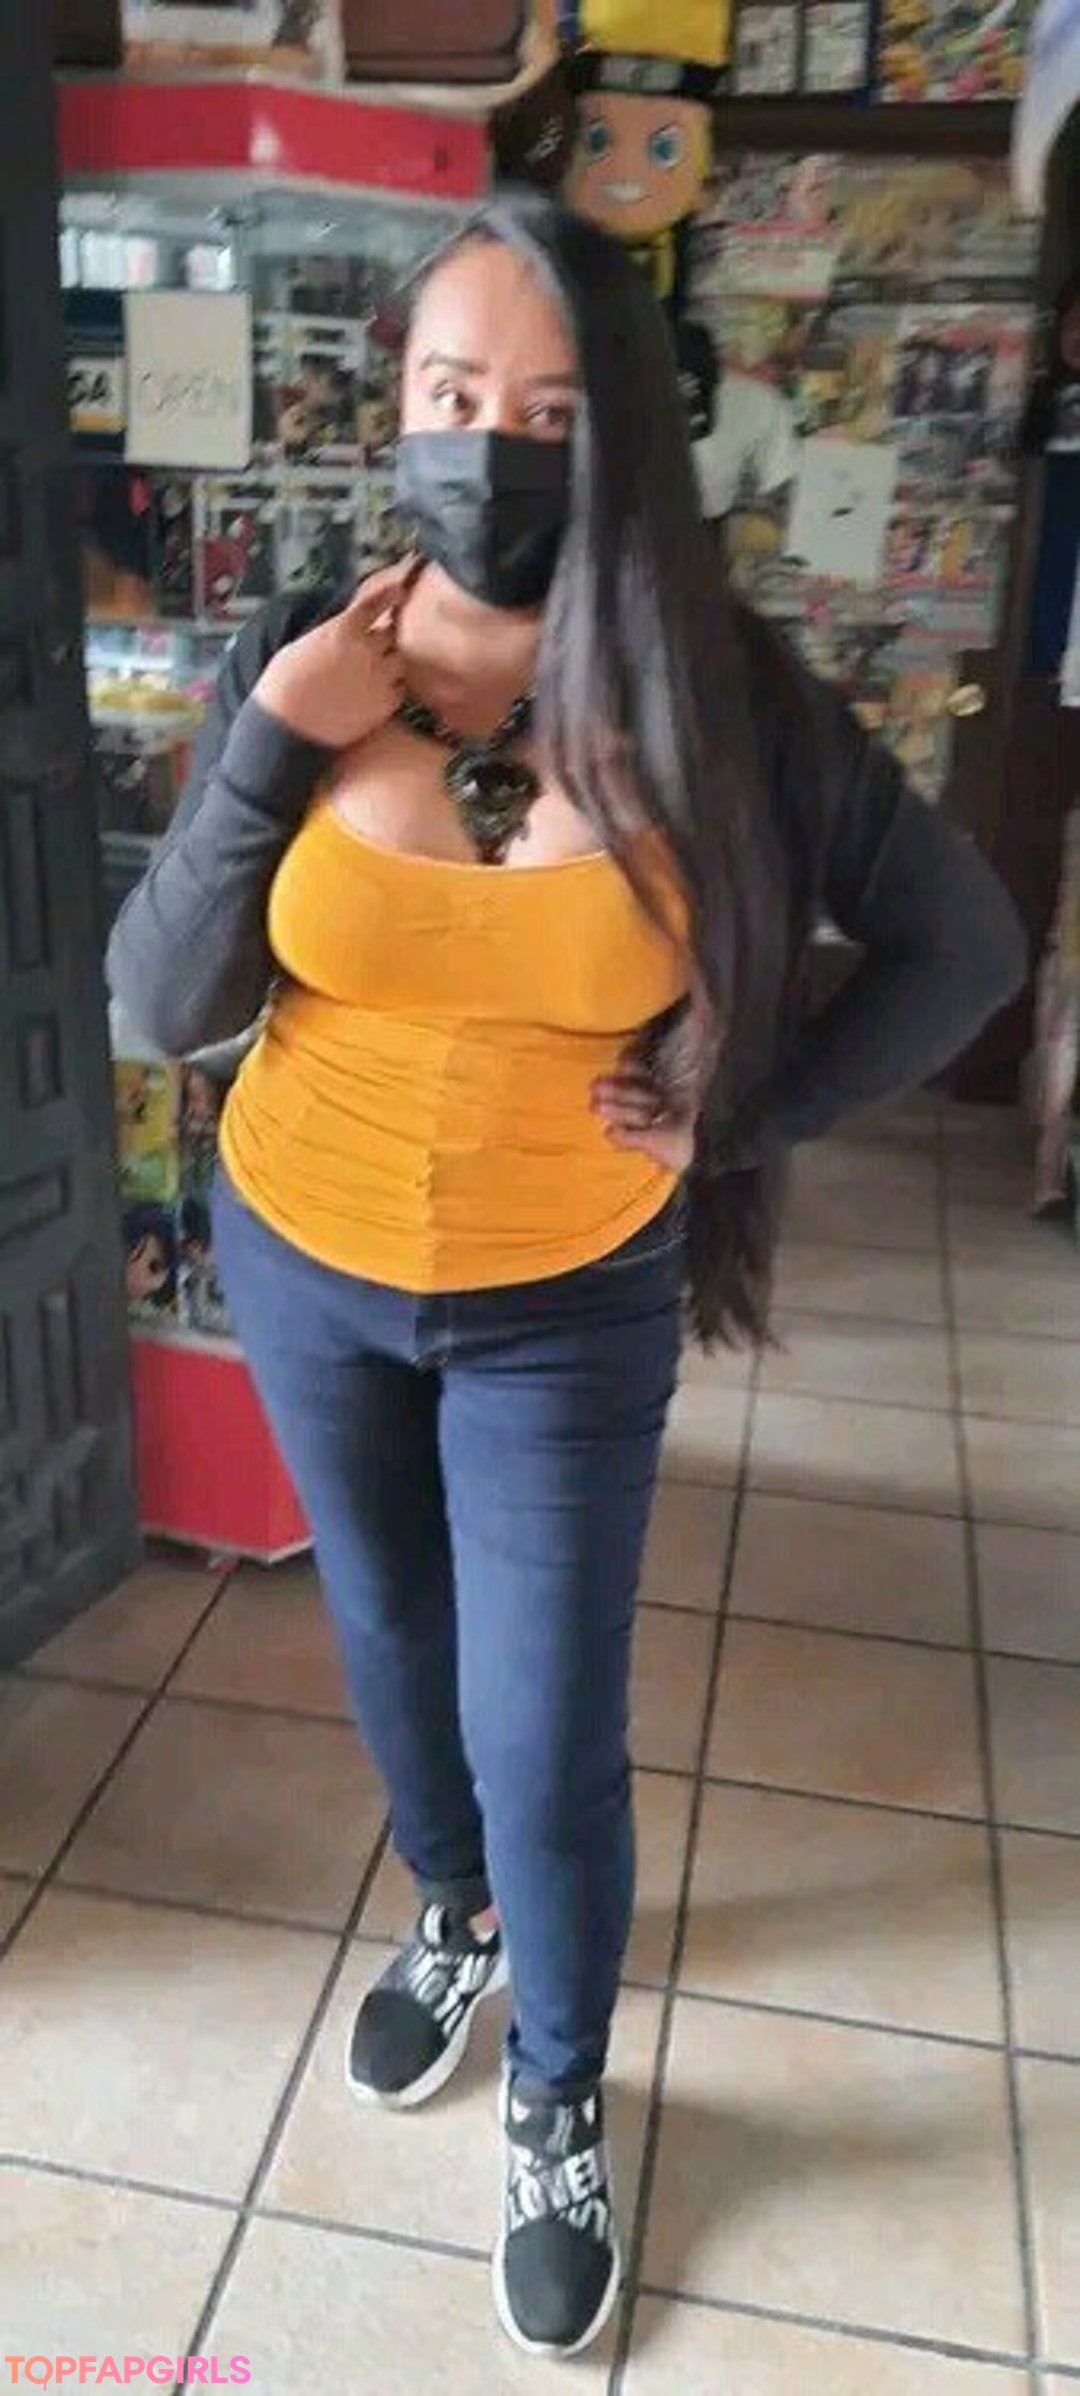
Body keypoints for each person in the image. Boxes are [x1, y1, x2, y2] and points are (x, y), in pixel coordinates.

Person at [107, 189, 1025, 2362]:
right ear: (394, 409)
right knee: (385, 1635)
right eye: (447, 395)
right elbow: (158, 1002)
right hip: (306, 1251)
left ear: (618, 429)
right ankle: (452, 1912)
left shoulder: (717, 692)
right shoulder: (309, 654)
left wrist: (742, 1113)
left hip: (563, 1295)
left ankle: (553, 2089)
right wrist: (272, 739)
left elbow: (962, 944)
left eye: (540, 411)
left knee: (543, 1724)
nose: (483, 446)